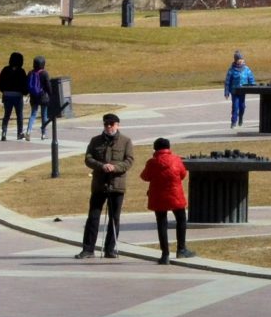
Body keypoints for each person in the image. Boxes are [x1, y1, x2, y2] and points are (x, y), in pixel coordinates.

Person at [77, 112, 135, 259]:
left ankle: (110, 249)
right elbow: (88, 158)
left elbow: (129, 160)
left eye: (111, 124)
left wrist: (115, 168)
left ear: (117, 125)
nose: (108, 127)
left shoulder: (125, 141)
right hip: (99, 184)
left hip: (117, 184)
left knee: (114, 218)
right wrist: (101, 166)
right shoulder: (95, 140)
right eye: (106, 124)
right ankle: (88, 249)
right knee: (93, 217)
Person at [141, 136, 190, 264]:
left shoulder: (152, 162)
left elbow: (144, 177)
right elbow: (183, 174)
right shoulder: (176, 159)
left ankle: (165, 254)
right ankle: (181, 249)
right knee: (181, 220)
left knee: (161, 223)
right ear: (169, 148)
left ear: (155, 148)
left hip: (158, 196)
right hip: (175, 194)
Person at [0, 51, 29, 140]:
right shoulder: (21, 71)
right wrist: (25, 92)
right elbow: (24, 85)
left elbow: (0, 83)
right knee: (19, 115)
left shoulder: (5, 70)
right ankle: (20, 133)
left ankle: (4, 132)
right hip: (18, 96)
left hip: (7, 95)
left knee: (6, 115)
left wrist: (4, 91)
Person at [223, 51, 255, 129]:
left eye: (241, 59)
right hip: (235, 91)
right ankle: (233, 122)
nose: (240, 61)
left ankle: (241, 117)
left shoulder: (246, 69)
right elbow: (227, 82)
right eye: (239, 59)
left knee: (242, 106)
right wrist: (226, 92)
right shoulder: (231, 70)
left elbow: (251, 78)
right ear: (236, 60)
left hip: (243, 91)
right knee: (235, 106)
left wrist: (253, 86)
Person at [26, 55, 53, 135]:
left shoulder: (30, 73)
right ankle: (43, 133)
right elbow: (48, 86)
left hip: (33, 96)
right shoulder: (44, 73)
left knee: (33, 114)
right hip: (43, 96)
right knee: (44, 115)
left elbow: (27, 84)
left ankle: (28, 131)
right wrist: (51, 94)